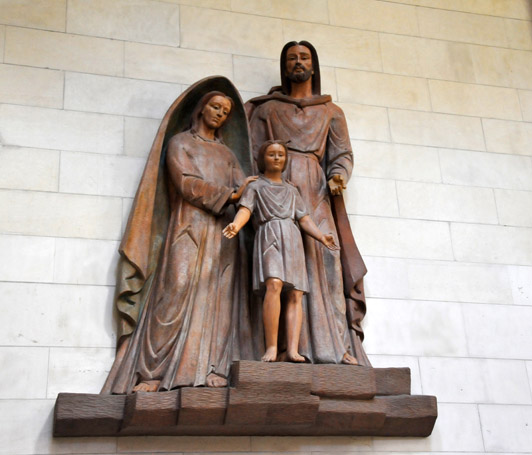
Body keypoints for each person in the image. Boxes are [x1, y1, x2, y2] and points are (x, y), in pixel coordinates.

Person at [102, 84, 256, 394]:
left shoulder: (227, 154)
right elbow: (186, 183)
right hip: (189, 226)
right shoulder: (180, 143)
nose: (220, 115)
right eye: (216, 108)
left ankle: (213, 367)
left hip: (224, 233)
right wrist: (231, 194)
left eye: (226, 112)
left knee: (218, 298)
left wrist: (257, 191)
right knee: (176, 289)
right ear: (201, 108)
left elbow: (246, 187)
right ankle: (152, 372)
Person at [246, 41, 370, 366]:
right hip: (278, 192)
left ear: (313, 65)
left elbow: (342, 153)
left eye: (303, 57)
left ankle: (335, 346)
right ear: (284, 66)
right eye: (291, 58)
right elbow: (251, 153)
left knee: (327, 262)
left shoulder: (331, 112)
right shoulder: (268, 110)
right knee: (281, 272)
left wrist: (338, 175)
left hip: (316, 191)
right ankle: (286, 348)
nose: (298, 62)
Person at [223, 140, 338, 363]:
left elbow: (303, 218)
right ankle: (272, 347)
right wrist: (236, 225)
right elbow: (246, 209)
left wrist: (321, 236)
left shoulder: (291, 189)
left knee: (295, 293)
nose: (277, 158)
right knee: (273, 284)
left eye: (280, 155)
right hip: (269, 234)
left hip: (292, 237)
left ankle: (293, 349)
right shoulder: (256, 186)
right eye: (271, 154)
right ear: (262, 159)